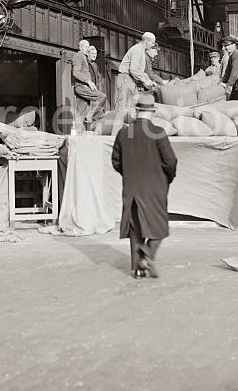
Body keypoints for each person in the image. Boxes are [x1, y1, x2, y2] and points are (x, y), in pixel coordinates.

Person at [111, 95, 178, 279]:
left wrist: (128, 175)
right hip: (155, 188)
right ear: (152, 112)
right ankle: (146, 253)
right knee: (160, 227)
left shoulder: (124, 133)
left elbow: (115, 161)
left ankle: (138, 270)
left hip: (131, 188)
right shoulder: (158, 132)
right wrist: (167, 178)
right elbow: (170, 161)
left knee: (136, 228)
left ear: (136, 111)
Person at [114, 32, 156, 110]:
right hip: (125, 78)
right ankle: (119, 120)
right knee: (123, 105)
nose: (153, 45)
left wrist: (149, 81)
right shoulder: (138, 50)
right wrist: (144, 80)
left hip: (129, 79)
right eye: (152, 43)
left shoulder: (142, 51)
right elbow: (133, 70)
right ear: (146, 41)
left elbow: (140, 71)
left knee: (134, 100)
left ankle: (127, 120)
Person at [72, 40, 106, 131]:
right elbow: (75, 72)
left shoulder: (83, 57)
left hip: (82, 87)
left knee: (80, 114)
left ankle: (77, 135)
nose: (87, 49)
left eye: (88, 47)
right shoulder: (79, 56)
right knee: (102, 96)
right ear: (80, 48)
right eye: (85, 47)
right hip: (82, 87)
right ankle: (90, 116)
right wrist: (88, 81)